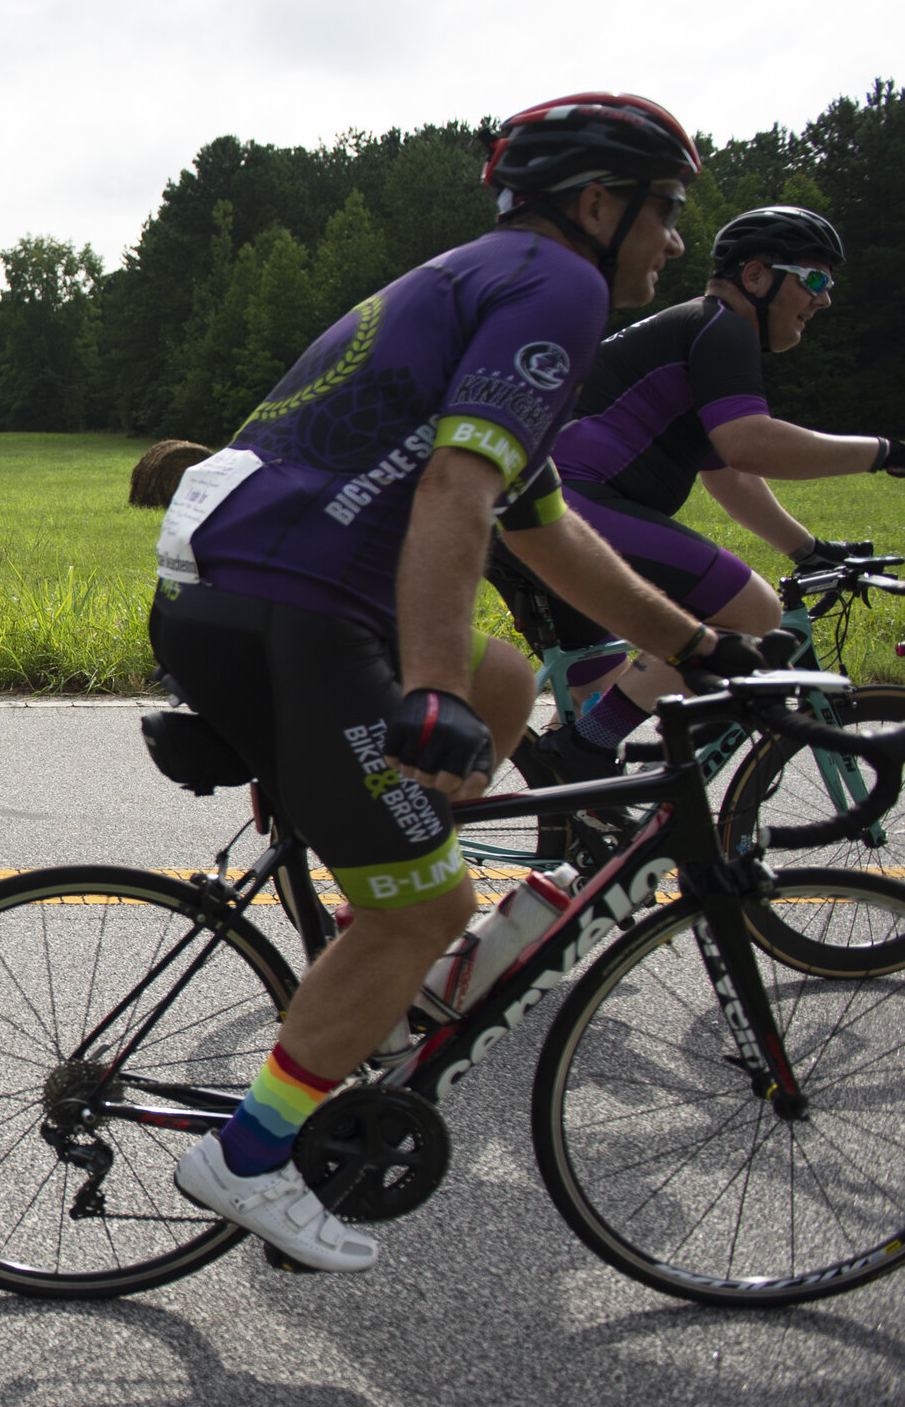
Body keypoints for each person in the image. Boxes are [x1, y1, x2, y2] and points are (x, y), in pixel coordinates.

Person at [149, 93, 776, 1271]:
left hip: (238, 581)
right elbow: (454, 489)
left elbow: (538, 522)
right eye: (666, 212)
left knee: (498, 682)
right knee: (428, 900)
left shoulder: (478, 276)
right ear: (599, 204)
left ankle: (365, 972)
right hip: (296, 602)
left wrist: (696, 644)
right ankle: (246, 1155)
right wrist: (424, 686)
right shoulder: (560, 288)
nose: (676, 243)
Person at [491, 205, 899, 782]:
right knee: (752, 613)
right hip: (567, 505)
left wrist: (807, 549)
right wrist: (886, 450)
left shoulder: (698, 331)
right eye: (814, 278)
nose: (824, 298)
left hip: (527, 511)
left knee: (600, 707)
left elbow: (726, 473)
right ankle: (580, 750)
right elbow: (749, 445)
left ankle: (584, 831)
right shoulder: (722, 327)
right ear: (756, 276)